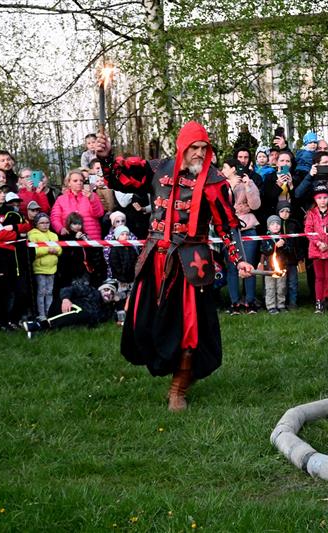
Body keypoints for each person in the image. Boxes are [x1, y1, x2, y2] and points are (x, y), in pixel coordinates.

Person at [95, 123, 253, 411]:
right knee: (145, 322)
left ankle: (178, 388)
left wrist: (239, 258)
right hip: (156, 258)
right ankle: (165, 364)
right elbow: (120, 178)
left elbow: (227, 226)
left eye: (204, 148)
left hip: (191, 264)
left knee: (189, 329)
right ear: (182, 147)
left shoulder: (215, 182)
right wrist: (106, 157)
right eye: (194, 148)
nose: (199, 153)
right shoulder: (159, 168)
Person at [0, 180, 32, 330]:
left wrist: (14, 227)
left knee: (20, 289)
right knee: (2, 291)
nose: (2, 195)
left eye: (3, 192)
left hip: (15, 255)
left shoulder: (10, 209)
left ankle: (14, 319)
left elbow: (28, 225)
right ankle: (3, 322)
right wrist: (18, 233)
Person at [223, 158, 261, 314]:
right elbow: (220, 205)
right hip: (229, 228)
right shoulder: (221, 184)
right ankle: (234, 303)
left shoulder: (248, 182)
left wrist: (248, 187)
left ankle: (250, 302)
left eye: (225, 167)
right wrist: (230, 188)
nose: (222, 169)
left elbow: (255, 205)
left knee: (249, 265)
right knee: (232, 267)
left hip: (248, 227)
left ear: (233, 169)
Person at [23, 279, 120, 337]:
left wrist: (116, 304)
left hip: (73, 317)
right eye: (106, 290)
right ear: (101, 289)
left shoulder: (106, 310)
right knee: (84, 313)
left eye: (112, 293)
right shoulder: (90, 291)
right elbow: (68, 289)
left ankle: (37, 330)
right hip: (61, 306)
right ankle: (40, 325)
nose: (108, 293)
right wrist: (66, 299)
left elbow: (112, 317)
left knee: (85, 317)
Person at [304, 182, 328, 313]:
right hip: (316, 250)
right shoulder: (311, 214)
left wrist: (327, 243)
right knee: (319, 277)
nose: (322, 200)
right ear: (315, 199)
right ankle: (319, 303)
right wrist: (318, 243)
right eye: (320, 198)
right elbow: (308, 230)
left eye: (325, 198)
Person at [51, 169, 105, 240]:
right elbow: (55, 217)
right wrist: (60, 228)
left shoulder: (92, 195)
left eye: (81, 180)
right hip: (70, 238)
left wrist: (91, 198)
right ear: (68, 183)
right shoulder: (61, 199)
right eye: (75, 181)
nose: (79, 183)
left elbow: (99, 214)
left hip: (91, 238)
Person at [27, 212, 61, 321]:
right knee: (41, 292)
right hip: (40, 268)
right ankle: (41, 314)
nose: (45, 225)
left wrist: (55, 250)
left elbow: (60, 249)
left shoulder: (53, 235)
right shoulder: (32, 235)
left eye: (47, 222)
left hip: (52, 268)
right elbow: (34, 251)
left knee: (50, 291)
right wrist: (48, 249)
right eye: (42, 223)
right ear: (36, 224)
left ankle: (49, 313)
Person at [259, 214, 288, 314]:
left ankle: (281, 304)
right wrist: (275, 245)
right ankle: (271, 306)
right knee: (270, 287)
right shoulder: (265, 238)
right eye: (272, 224)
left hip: (281, 267)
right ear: (268, 227)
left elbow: (288, 251)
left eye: (277, 224)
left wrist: (283, 245)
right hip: (269, 268)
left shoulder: (283, 237)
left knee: (281, 287)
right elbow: (265, 251)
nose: (275, 225)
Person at [277, 201, 302, 309]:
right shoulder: (275, 224)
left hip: (292, 258)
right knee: (281, 283)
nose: (285, 213)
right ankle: (282, 302)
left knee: (292, 282)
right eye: (282, 211)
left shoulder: (294, 224)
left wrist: (300, 255)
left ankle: (293, 302)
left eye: (287, 211)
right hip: (280, 259)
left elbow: (299, 242)